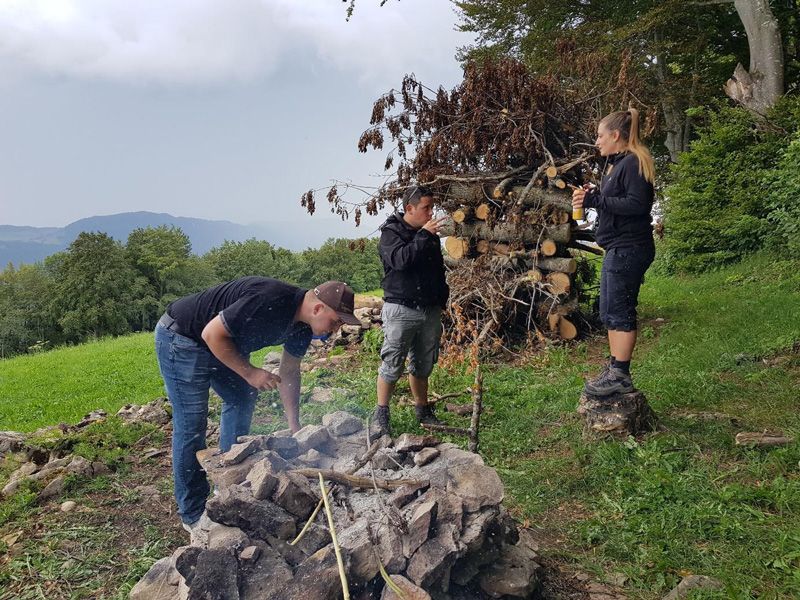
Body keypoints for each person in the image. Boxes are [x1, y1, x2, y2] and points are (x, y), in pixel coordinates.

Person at [155, 277, 361, 538]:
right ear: (319, 308)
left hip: (221, 343)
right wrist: (251, 372)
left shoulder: (303, 327)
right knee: (192, 424)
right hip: (184, 337)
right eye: (336, 321)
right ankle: (193, 515)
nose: (336, 328)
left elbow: (289, 371)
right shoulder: (269, 299)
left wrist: (294, 424)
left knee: (241, 398)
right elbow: (211, 334)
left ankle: (228, 485)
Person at [571, 108, 656, 396]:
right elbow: (618, 198)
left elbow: (637, 205)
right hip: (618, 247)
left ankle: (620, 375)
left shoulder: (632, 162)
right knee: (609, 310)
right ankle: (614, 368)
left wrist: (596, 199)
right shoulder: (617, 164)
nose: (597, 141)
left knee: (619, 310)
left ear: (615, 135)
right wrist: (596, 193)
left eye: (600, 135)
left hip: (629, 247)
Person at [373, 185, 450, 436]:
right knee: (392, 362)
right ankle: (381, 414)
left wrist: (441, 300)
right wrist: (424, 236)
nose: (431, 213)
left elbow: (437, 270)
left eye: (432, 207)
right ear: (410, 208)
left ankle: (423, 410)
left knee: (423, 364)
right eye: (426, 208)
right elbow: (400, 261)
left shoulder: (428, 235)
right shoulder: (391, 232)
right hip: (400, 309)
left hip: (429, 309)